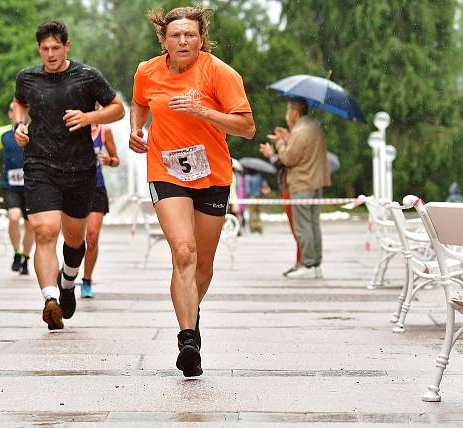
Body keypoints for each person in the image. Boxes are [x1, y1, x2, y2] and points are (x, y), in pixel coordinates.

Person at [129, 5, 255, 377]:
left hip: (212, 175)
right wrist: (137, 130)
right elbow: (139, 102)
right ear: (164, 40)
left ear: (201, 38)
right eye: (175, 35)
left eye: (190, 35)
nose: (183, 41)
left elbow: (246, 127)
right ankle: (188, 339)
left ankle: (190, 311)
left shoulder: (219, 73)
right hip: (166, 171)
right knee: (183, 251)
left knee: (202, 264)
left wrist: (204, 112)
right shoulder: (146, 71)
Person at [12, 20, 125, 330]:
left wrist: (89, 116)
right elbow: (19, 103)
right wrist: (19, 127)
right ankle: (50, 300)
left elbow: (118, 109)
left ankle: (68, 282)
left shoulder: (87, 77)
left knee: (75, 240)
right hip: (39, 165)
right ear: (38, 48)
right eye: (45, 49)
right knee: (45, 231)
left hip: (80, 169)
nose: (50, 54)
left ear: (67, 46)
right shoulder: (28, 78)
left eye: (56, 48)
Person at [267, 99, 330, 280]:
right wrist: (289, 137)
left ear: (294, 112)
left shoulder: (301, 130)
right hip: (316, 182)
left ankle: (308, 264)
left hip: (302, 184)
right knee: (314, 225)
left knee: (303, 227)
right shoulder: (314, 126)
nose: (287, 115)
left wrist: (280, 142)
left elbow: (288, 159)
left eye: (288, 111)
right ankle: (316, 264)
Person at [0, 102, 34, 275]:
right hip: (10, 184)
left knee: (31, 226)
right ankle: (17, 252)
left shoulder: (33, 130)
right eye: (16, 111)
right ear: (10, 114)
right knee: (14, 217)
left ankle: (26, 259)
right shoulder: (3, 132)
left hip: (31, 184)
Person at [80, 122, 120, 298]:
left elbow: (116, 160)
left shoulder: (105, 131)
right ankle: (69, 270)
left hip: (96, 188)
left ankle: (87, 280)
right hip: (73, 189)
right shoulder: (72, 126)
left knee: (92, 237)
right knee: (74, 238)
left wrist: (109, 160)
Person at [259, 142, 303, 275]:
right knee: (299, 229)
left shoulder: (299, 138)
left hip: (293, 190)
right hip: (292, 190)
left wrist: (274, 151)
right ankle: (302, 262)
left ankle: (303, 263)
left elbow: (284, 161)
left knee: (299, 229)